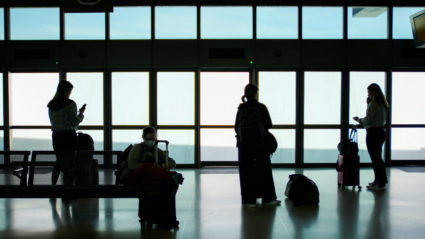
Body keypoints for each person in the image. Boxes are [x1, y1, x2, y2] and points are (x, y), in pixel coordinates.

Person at [235, 84, 280, 207]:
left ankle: (248, 200)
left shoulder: (241, 108)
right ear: (255, 94)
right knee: (264, 170)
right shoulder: (261, 107)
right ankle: (268, 198)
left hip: (244, 145)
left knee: (246, 172)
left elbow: (236, 128)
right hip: (260, 144)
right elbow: (268, 125)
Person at [48, 80, 85, 186]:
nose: (70, 94)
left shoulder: (51, 104)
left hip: (57, 136)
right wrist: (81, 114)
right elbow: (75, 122)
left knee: (59, 162)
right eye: (69, 91)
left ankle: (53, 186)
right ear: (66, 91)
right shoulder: (70, 104)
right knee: (70, 164)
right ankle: (68, 187)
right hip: (68, 136)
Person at [353, 83, 388, 190]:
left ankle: (379, 183)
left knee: (375, 159)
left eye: (369, 91)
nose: (368, 94)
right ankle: (380, 180)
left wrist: (358, 120)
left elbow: (369, 119)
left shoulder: (373, 104)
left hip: (373, 133)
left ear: (373, 92)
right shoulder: (383, 104)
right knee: (378, 159)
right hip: (380, 132)